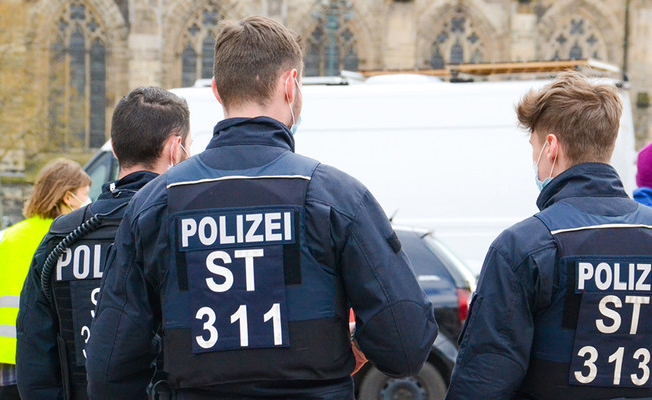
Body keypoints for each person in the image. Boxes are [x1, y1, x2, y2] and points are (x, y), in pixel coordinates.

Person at [86, 16, 437, 400]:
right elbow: (405, 344)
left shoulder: (153, 205)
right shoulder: (336, 197)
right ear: (291, 85)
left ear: (217, 92)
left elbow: (110, 369)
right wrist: (354, 344)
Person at [445, 71, 652, 400]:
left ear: (551, 148)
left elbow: (482, 381)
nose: (534, 161)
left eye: (534, 148)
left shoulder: (523, 247)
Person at [15, 87, 191, 400]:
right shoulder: (185, 227)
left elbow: (34, 358)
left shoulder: (62, 236)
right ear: (175, 149)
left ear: (115, 150)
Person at [0, 159, 91, 400]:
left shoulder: (11, 236)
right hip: (41, 355)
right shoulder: (61, 236)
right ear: (67, 197)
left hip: (2, 355)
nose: (87, 202)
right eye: (85, 194)